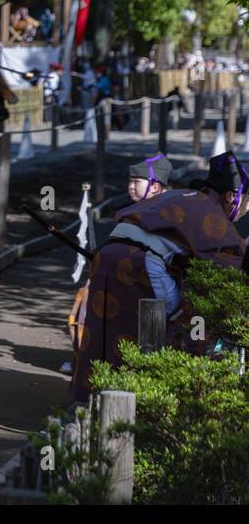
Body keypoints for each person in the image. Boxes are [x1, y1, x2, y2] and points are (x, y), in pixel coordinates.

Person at [68, 151, 247, 403]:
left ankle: (89, 398)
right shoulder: (213, 217)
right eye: (246, 202)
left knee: (105, 330)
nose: (244, 210)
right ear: (231, 197)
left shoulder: (179, 195)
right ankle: (150, 398)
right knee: (176, 318)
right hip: (140, 262)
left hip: (106, 256)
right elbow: (231, 268)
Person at [65, 152, 173, 367]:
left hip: (153, 276)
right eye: (130, 182)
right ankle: (94, 363)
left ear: (155, 186)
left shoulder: (167, 209)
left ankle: (148, 369)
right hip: (124, 275)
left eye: (136, 182)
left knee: (154, 316)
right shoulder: (130, 211)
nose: (131, 186)